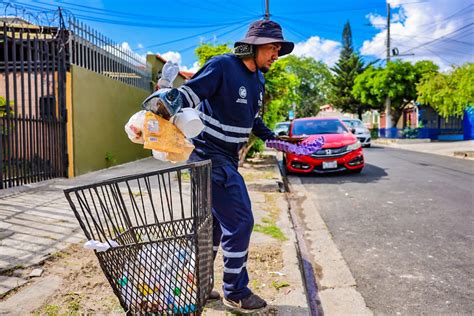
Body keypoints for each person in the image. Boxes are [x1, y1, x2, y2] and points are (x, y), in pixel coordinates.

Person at [167, 20, 301, 314]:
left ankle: (201, 287)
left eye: (278, 48)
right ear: (252, 46)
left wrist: (277, 140)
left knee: (215, 225)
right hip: (206, 156)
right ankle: (235, 291)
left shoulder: (258, 80)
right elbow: (189, 94)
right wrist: (163, 105)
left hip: (228, 158)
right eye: (271, 47)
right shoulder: (223, 66)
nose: (276, 54)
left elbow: (252, 120)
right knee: (241, 221)